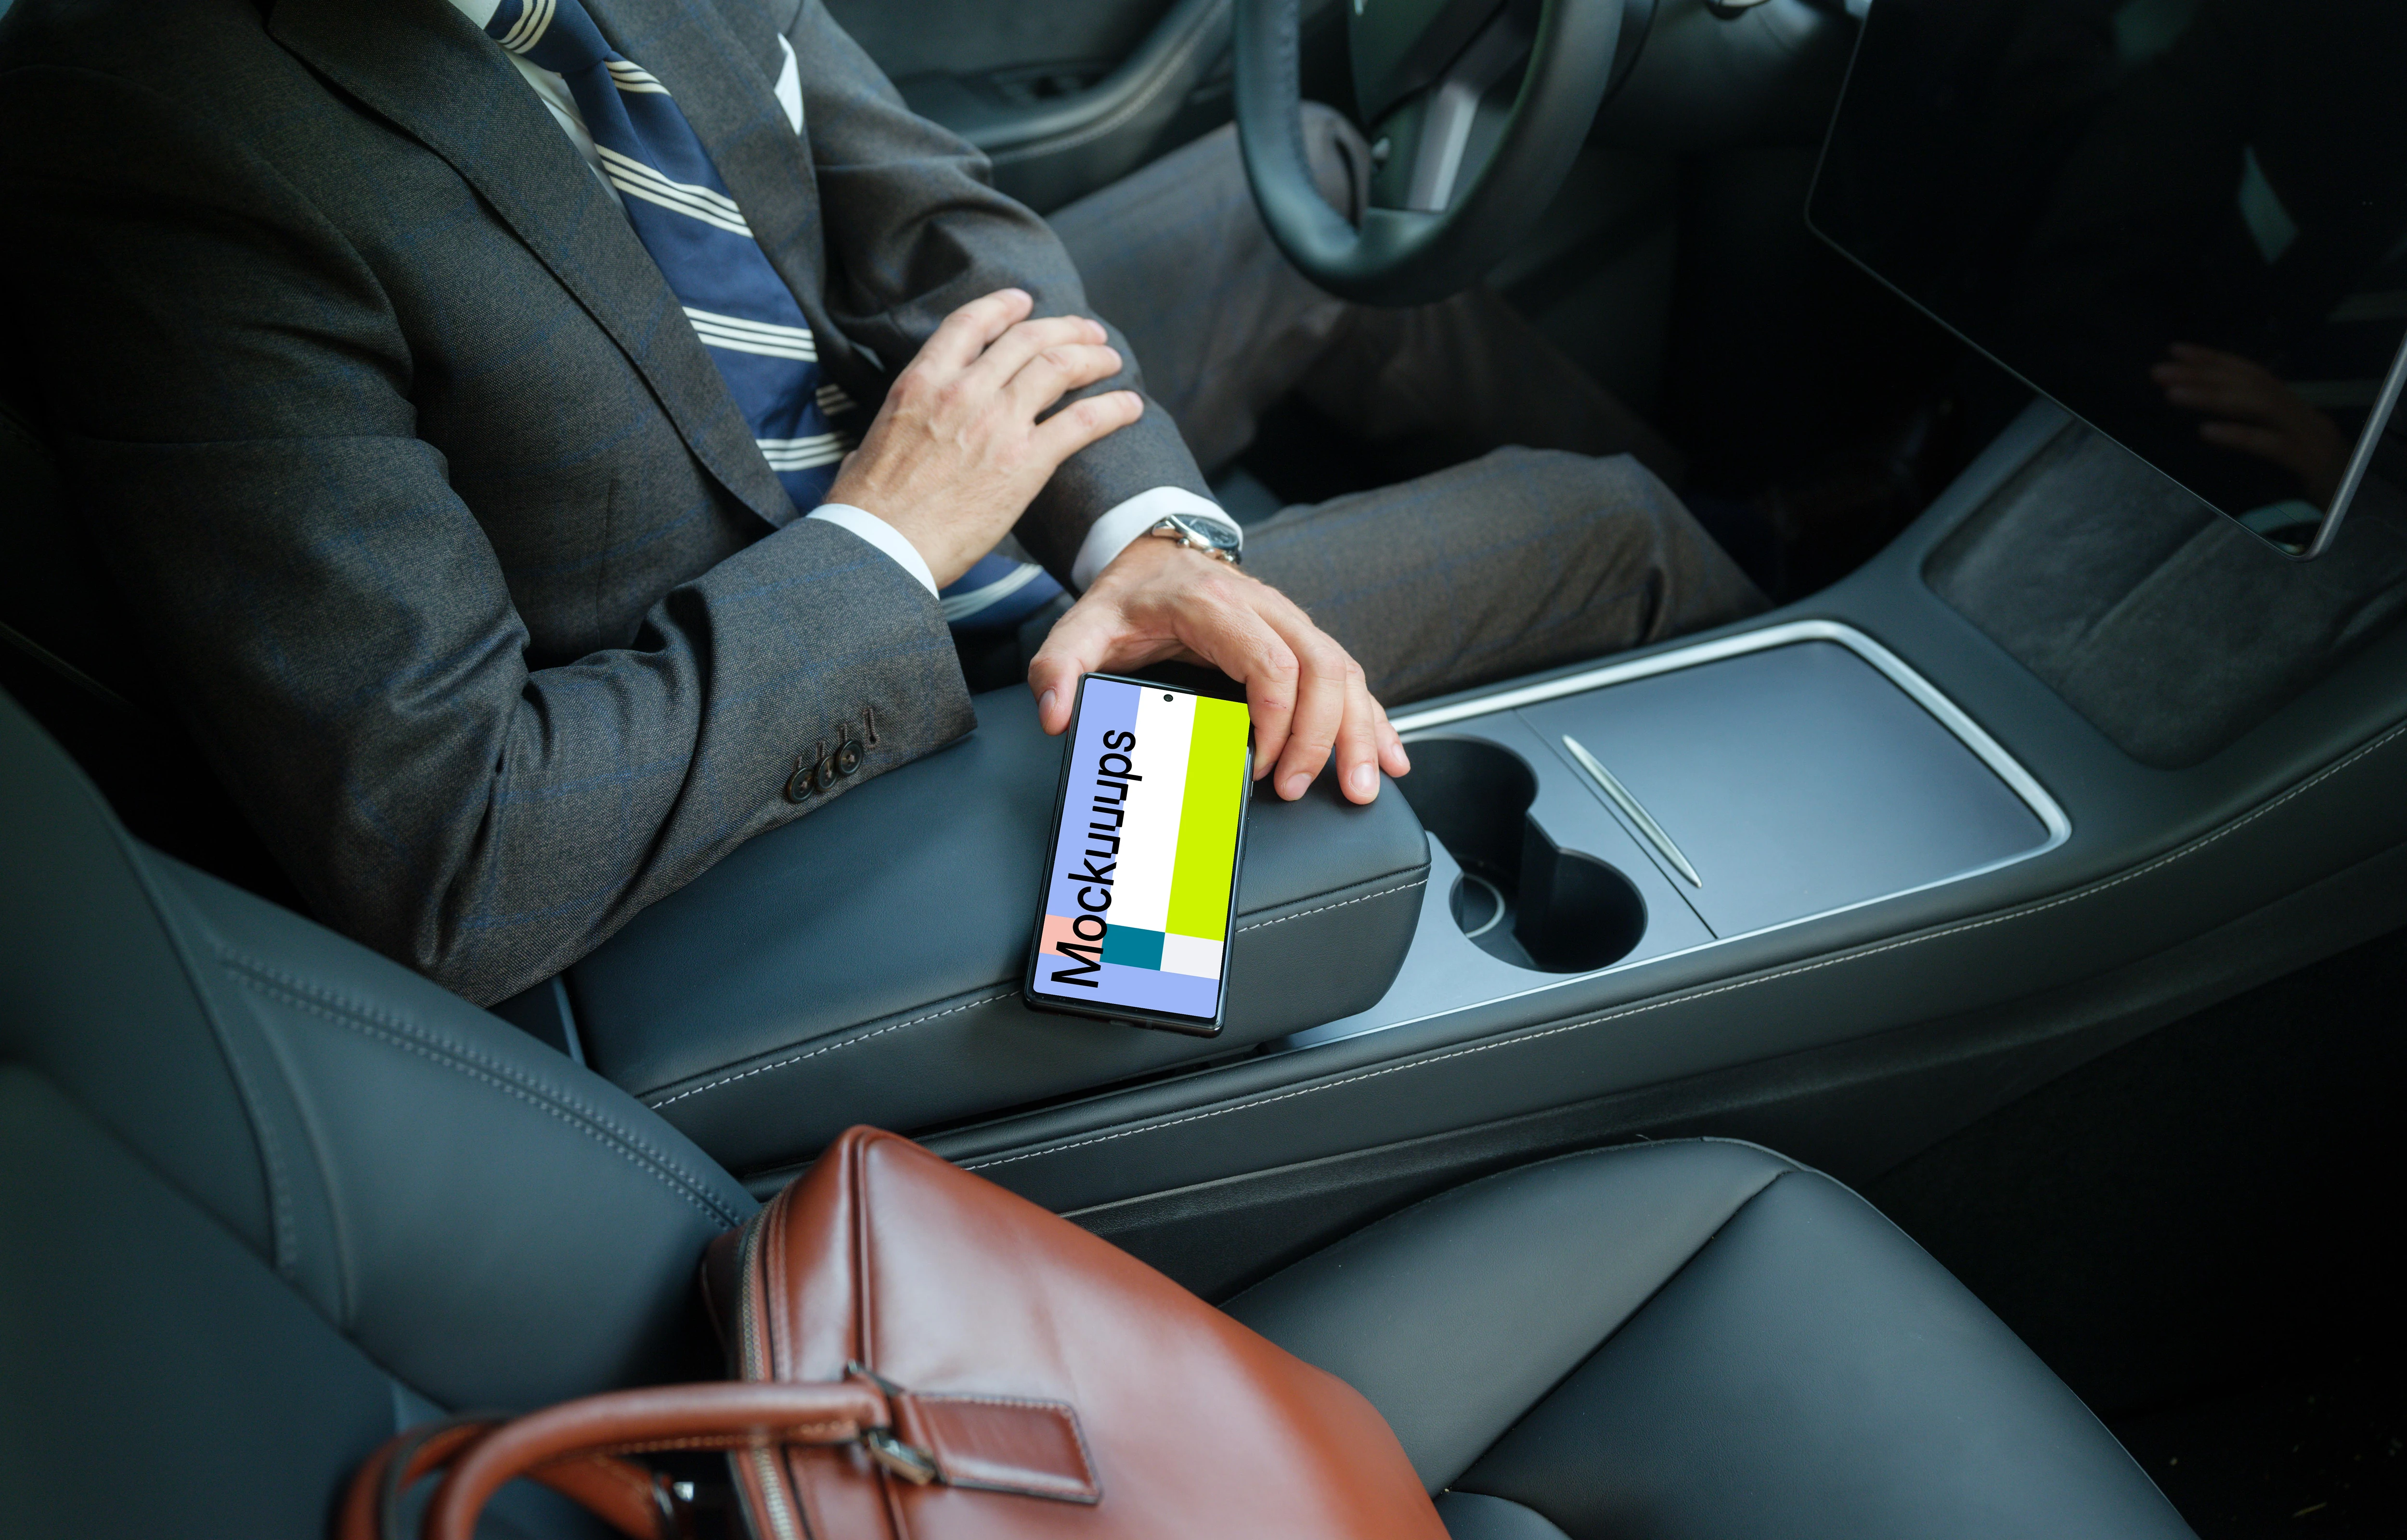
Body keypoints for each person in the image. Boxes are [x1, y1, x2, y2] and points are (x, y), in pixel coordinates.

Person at [0, 0, 1760, 1004]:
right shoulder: (162, 131)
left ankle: (1780, 503)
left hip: (925, 479)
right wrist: (888, 546)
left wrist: (1147, 533)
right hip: (825, 729)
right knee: (1597, 522)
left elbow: (924, 213)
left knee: (1300, 182)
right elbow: (445, 857)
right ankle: (1803, 585)